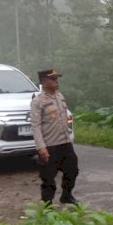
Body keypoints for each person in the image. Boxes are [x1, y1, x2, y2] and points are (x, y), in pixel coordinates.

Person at [31, 69, 79, 205]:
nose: (56, 82)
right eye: (53, 79)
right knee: (48, 177)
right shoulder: (38, 101)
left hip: (65, 142)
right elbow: (36, 126)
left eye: (56, 79)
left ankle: (67, 196)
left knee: (72, 170)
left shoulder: (60, 96)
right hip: (50, 145)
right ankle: (47, 204)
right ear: (43, 81)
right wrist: (41, 148)